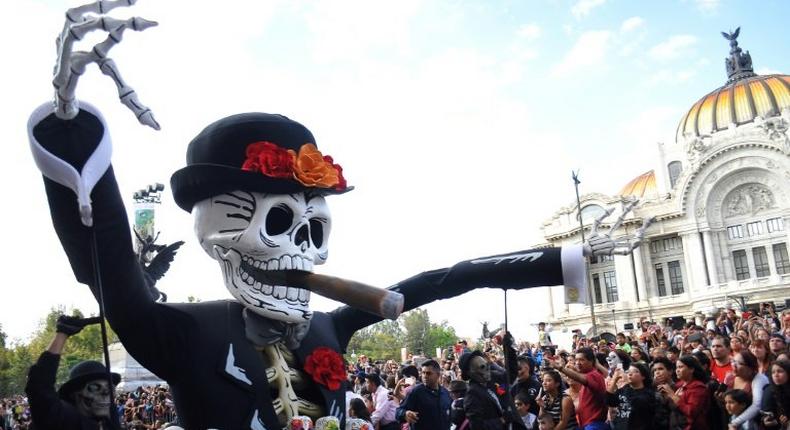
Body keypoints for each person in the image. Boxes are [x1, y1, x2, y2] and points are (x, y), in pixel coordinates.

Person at [25, 315, 121, 430]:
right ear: (74, 393)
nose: (106, 394)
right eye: (95, 388)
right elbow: (39, 387)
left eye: (110, 388)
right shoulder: (63, 419)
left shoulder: (108, 422)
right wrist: (62, 334)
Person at [547, 347, 606, 430]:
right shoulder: (586, 374)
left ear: (591, 361)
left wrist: (560, 367)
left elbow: (580, 378)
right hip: (585, 425)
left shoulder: (594, 376)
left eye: (581, 360)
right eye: (576, 360)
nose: (578, 363)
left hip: (595, 426)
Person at [458, 351, 512, 430]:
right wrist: (501, 420)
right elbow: (476, 426)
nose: (488, 370)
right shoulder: (472, 394)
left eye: (488, 365)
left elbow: (505, 378)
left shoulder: (489, 383)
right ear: (470, 373)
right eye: (482, 367)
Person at [396, 359, 451, 430]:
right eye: (423, 373)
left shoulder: (445, 393)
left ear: (438, 375)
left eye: (428, 373)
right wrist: (405, 414)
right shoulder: (416, 392)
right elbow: (398, 411)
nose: (425, 376)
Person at [658, 355, 710, 430]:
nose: (677, 370)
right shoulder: (679, 385)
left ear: (691, 369)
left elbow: (691, 411)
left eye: (680, 367)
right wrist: (667, 396)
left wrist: (672, 395)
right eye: (676, 367)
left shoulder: (698, 387)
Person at [605, 362, 655, 430]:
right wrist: (614, 379)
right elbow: (609, 401)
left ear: (643, 376)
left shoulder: (648, 393)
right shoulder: (623, 389)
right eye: (628, 371)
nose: (630, 374)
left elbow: (635, 403)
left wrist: (626, 382)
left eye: (635, 371)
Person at [730, 350, 770, 428]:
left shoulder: (759, 379)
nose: (734, 365)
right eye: (733, 361)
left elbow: (756, 405)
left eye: (739, 363)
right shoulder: (730, 378)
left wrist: (735, 423)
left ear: (750, 367)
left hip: (754, 423)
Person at [761, 360, 790, 429]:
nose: (776, 375)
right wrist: (767, 421)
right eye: (773, 372)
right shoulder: (769, 390)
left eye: (780, 371)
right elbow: (766, 414)